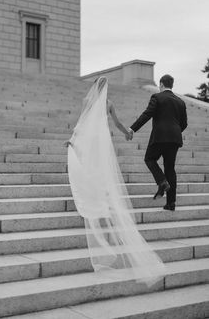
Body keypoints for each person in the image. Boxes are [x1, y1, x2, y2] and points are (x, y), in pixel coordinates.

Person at [65, 76, 165, 286]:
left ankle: (96, 199)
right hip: (101, 142)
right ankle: (101, 199)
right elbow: (117, 123)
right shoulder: (108, 103)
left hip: (92, 141)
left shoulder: (88, 101)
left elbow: (82, 121)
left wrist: (74, 139)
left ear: (94, 87)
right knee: (100, 172)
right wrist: (127, 132)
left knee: (93, 170)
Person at [128, 74, 188, 211]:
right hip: (175, 138)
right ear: (171, 85)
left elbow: (147, 114)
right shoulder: (180, 101)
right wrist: (175, 131)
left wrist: (132, 128)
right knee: (170, 168)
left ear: (161, 84)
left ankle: (162, 182)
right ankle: (171, 203)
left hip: (160, 136)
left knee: (149, 158)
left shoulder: (157, 97)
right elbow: (184, 124)